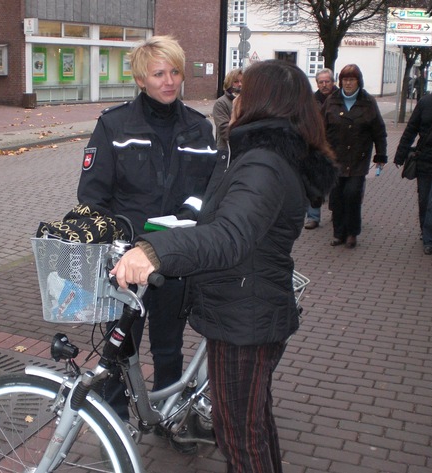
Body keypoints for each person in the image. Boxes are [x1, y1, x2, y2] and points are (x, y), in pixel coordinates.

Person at [111, 60, 337, 473]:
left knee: (241, 439)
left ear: (261, 101)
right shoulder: (257, 155)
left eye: (241, 92)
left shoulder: (262, 163)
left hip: (245, 316)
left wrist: (154, 251)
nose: (233, 100)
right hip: (246, 308)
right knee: (253, 428)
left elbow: (229, 236)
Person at [76, 35, 218, 454]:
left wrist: (186, 220)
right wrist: (116, 237)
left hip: (175, 255)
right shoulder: (114, 125)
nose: (169, 81)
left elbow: (207, 190)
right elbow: (92, 194)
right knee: (120, 343)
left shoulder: (198, 126)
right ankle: (114, 421)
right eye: (159, 73)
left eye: (175, 71)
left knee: (169, 343)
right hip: (127, 259)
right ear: (141, 78)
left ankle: (171, 416)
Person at [321, 64, 387, 249]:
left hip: (358, 157)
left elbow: (379, 131)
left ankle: (352, 233)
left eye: (352, 80)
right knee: (337, 197)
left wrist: (380, 154)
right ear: (340, 81)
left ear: (358, 81)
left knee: (352, 194)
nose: (348, 83)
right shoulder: (331, 101)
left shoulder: (368, 102)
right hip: (335, 157)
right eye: (345, 79)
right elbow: (320, 128)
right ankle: (338, 233)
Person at [394, 65, 432, 255]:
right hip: (424, 159)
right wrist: (400, 153)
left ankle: (431, 239)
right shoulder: (425, 102)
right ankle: (426, 230)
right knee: (424, 201)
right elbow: (411, 129)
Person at [305, 68, 339, 230]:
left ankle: (336, 212)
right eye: (321, 82)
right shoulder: (310, 100)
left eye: (327, 82)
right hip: (317, 146)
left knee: (337, 184)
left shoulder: (340, 98)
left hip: (337, 147)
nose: (324, 85)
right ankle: (313, 217)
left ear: (333, 82)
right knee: (314, 182)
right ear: (316, 83)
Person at [213, 68, 243, 150]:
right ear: (229, 84)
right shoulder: (221, 103)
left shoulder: (248, 101)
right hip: (226, 151)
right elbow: (224, 130)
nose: (240, 84)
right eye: (236, 81)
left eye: (242, 81)